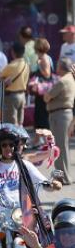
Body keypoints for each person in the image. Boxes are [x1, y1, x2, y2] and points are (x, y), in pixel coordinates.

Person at [44, 56, 75, 184]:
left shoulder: (62, 81)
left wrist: (46, 93)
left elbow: (47, 97)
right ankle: (64, 176)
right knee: (62, 147)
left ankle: (63, 177)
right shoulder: (70, 79)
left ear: (61, 67)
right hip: (63, 114)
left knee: (58, 148)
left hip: (59, 115)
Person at [0, 41, 30, 126]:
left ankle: (14, 139)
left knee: (12, 122)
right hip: (22, 95)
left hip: (11, 96)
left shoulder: (11, 66)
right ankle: (21, 138)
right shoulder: (26, 65)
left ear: (13, 52)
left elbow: (1, 77)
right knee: (20, 122)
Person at [31, 37, 54, 129]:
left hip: (43, 90)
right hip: (43, 91)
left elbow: (47, 74)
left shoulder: (43, 59)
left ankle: (44, 138)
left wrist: (40, 65)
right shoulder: (45, 57)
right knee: (39, 114)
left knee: (42, 115)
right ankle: (39, 138)